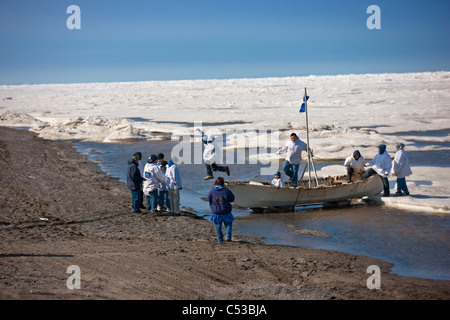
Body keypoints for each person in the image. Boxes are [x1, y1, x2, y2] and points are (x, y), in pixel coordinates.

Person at [208, 177, 235, 243]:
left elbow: (209, 200)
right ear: (223, 183)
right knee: (228, 224)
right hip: (226, 211)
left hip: (216, 212)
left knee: (218, 226)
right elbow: (232, 199)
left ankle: (220, 239)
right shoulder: (226, 190)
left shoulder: (212, 191)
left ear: (215, 183)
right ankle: (228, 237)